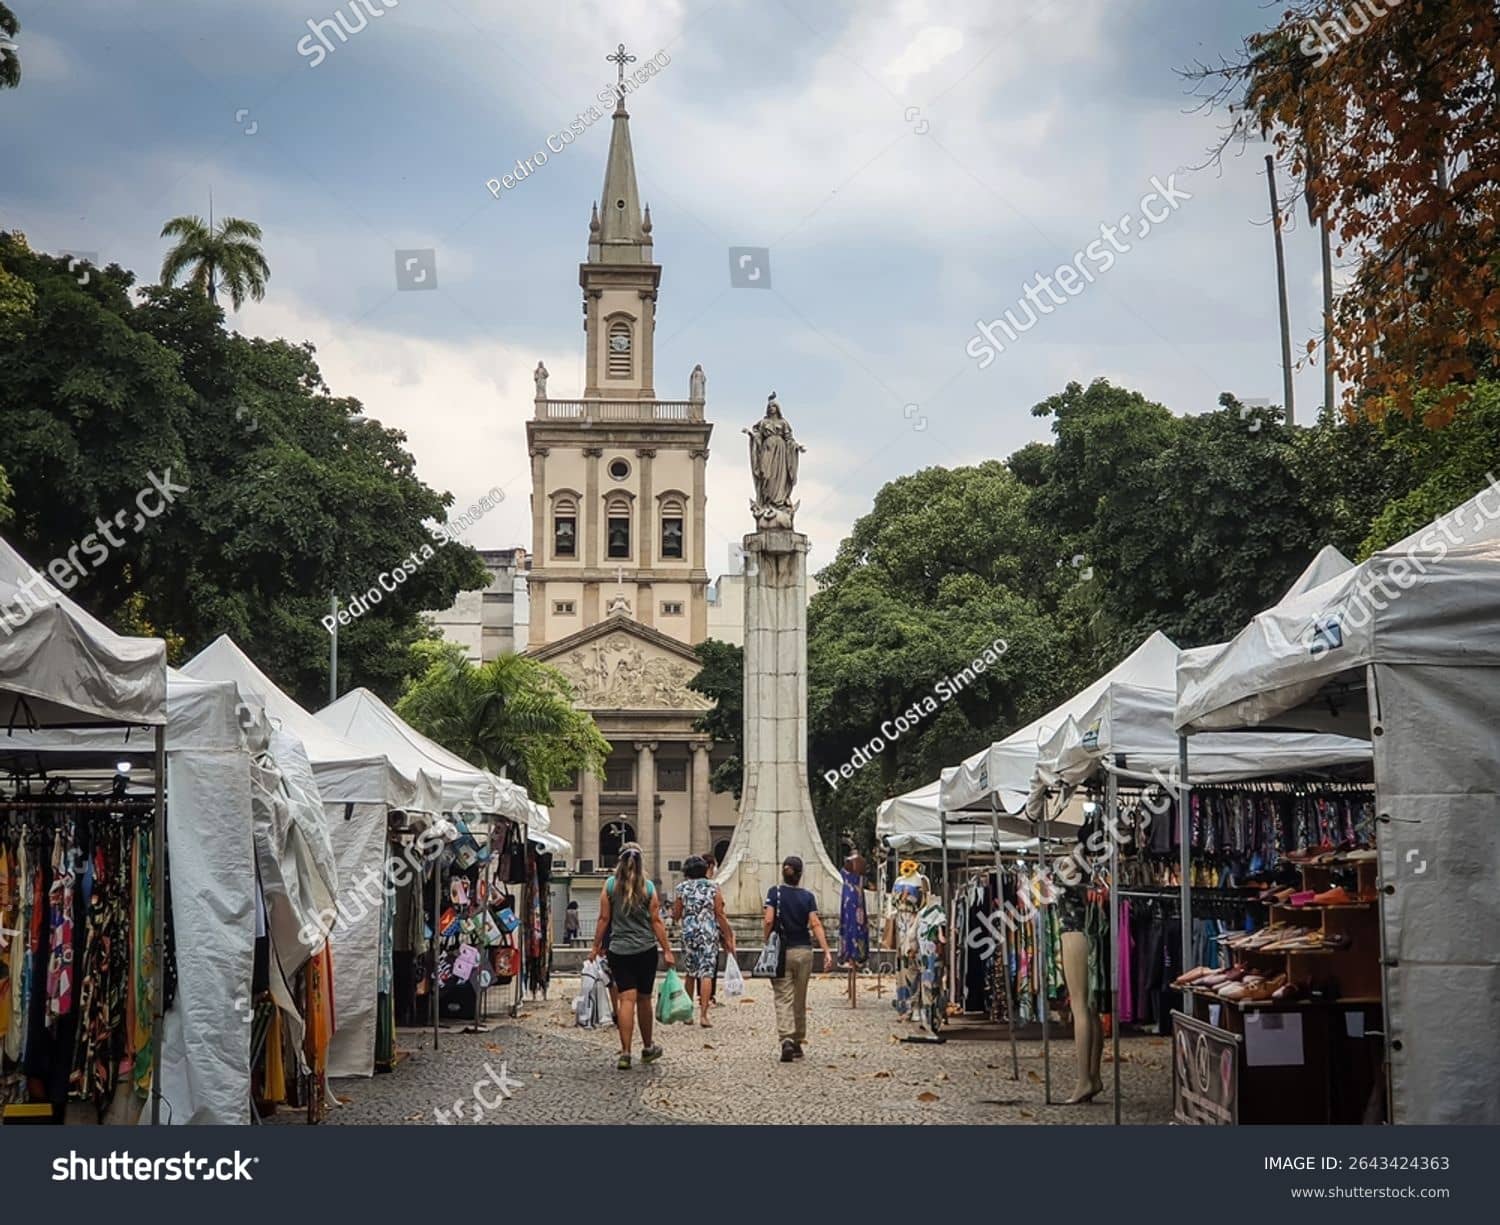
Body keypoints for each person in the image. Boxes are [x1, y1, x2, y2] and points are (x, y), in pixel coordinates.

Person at [590, 843, 674, 1070]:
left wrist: (595, 946)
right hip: (645, 950)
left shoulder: (609, 886)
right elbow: (656, 921)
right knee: (644, 999)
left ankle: (625, 1053)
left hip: (619, 950)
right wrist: (667, 949)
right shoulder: (648, 887)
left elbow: (604, 919)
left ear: (619, 861)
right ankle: (647, 1048)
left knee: (625, 1000)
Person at [763, 855, 835, 1062]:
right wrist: (826, 951)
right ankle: (797, 1041)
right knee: (799, 998)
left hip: (782, 952)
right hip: (804, 951)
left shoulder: (774, 892)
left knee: (783, 996)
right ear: (801, 874)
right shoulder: (808, 896)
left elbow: (768, 920)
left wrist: (767, 942)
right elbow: (815, 924)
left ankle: (786, 1038)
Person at [672, 855, 736, 1027]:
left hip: (689, 933)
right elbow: (719, 913)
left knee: (690, 973)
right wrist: (728, 935)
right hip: (708, 933)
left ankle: (688, 1014)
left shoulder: (681, 888)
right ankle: (704, 1015)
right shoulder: (713, 887)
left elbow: (676, 914)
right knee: (706, 973)